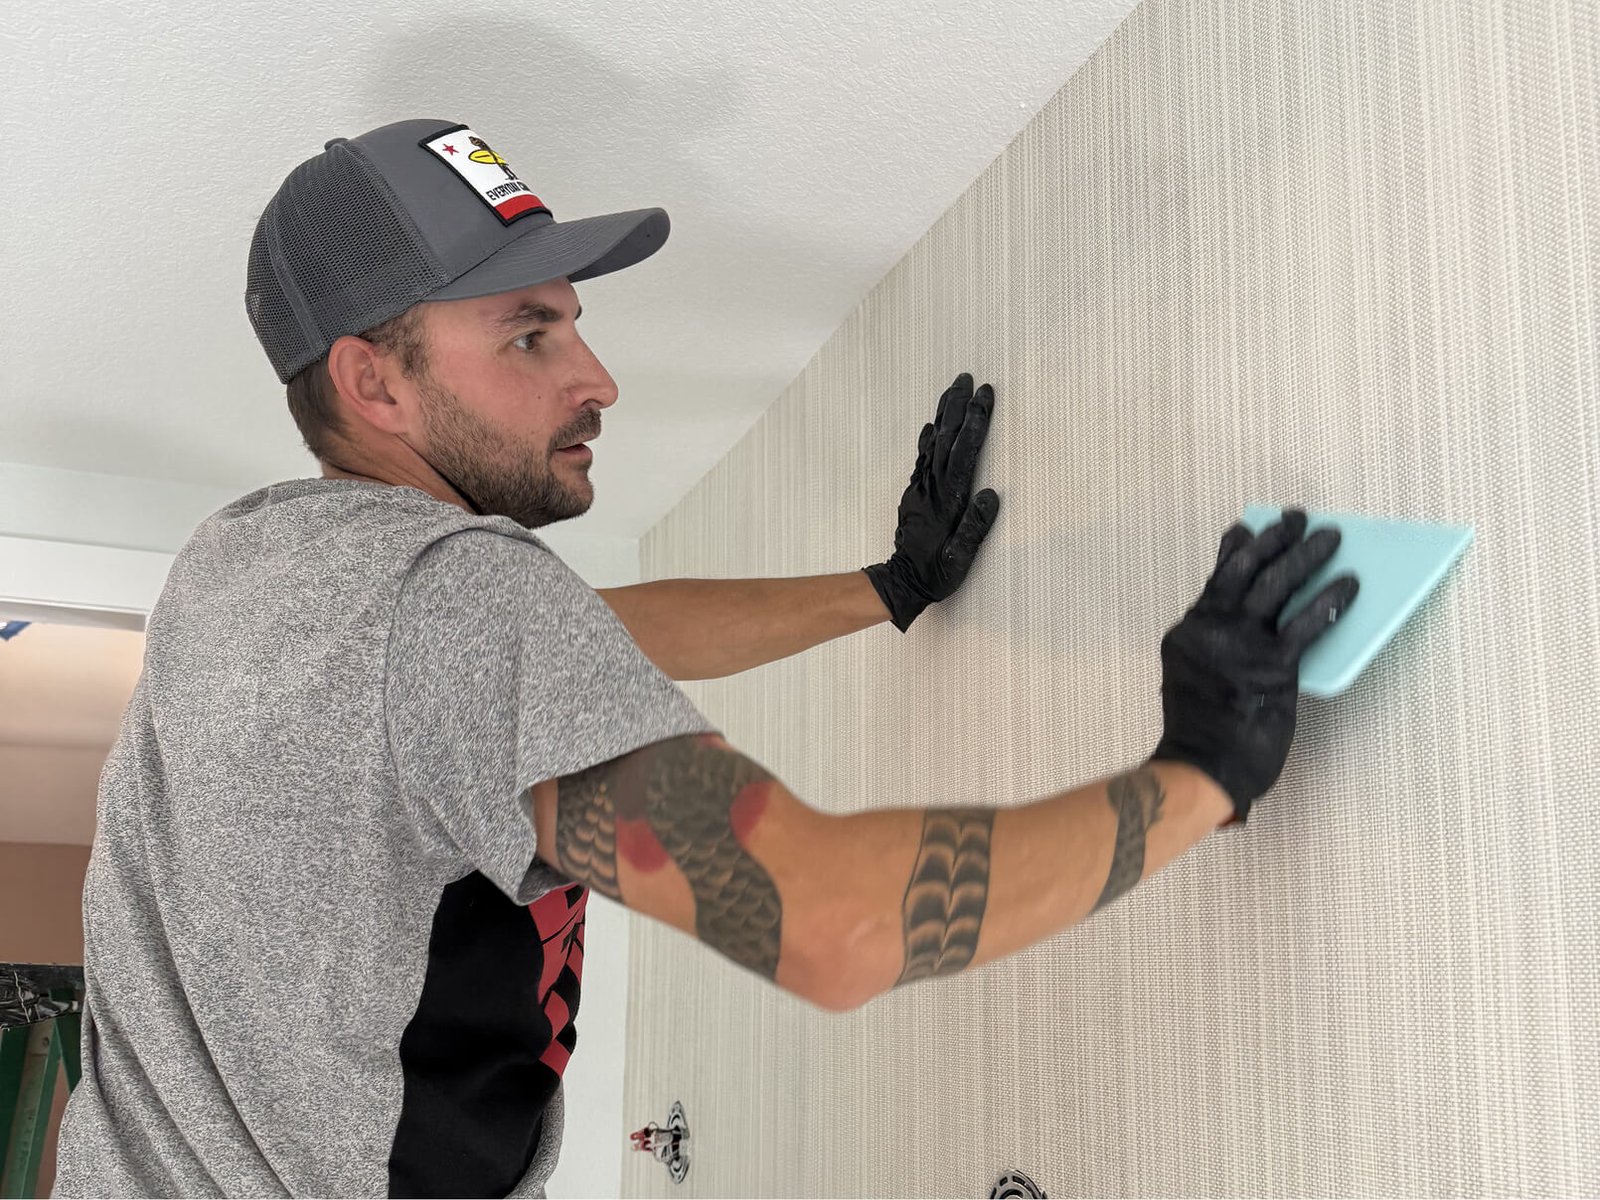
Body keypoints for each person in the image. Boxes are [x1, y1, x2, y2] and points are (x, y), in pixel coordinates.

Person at [52, 117, 1358, 1199]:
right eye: (528, 333)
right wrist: (1204, 770)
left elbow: (568, 654)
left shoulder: (248, 571)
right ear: (372, 383)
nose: (599, 374)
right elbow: (831, 924)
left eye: (572, 319)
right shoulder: (445, 611)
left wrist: (885, 591)